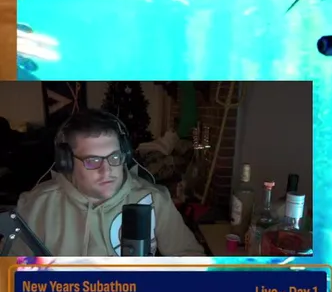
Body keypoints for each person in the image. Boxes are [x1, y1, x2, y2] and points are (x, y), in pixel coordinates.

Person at [16, 109, 206, 257]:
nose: (107, 171)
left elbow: (191, 260)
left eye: (114, 157)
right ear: (67, 163)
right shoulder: (36, 206)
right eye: (93, 160)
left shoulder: (154, 199)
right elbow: (10, 272)